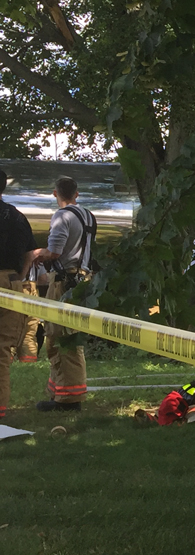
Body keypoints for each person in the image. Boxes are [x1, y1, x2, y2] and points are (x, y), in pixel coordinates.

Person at [31, 176, 96, 413]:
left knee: (59, 337)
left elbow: (55, 252)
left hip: (63, 282)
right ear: (76, 194)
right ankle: (62, 393)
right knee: (68, 336)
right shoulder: (87, 215)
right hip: (82, 279)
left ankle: (68, 400)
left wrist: (36, 254)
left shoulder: (61, 216)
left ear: (55, 193)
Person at [0, 169, 38, 421]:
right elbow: (30, 253)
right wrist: (20, 277)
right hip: (11, 283)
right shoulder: (17, 216)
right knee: (2, 351)